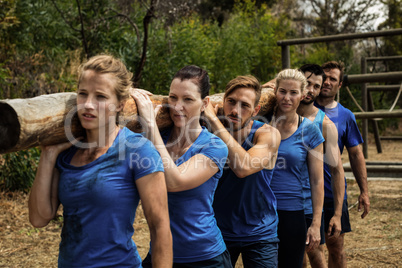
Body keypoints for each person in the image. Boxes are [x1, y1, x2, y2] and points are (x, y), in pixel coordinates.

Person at [28, 54, 172, 267]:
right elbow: (39, 218)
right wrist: (48, 154)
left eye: (101, 97)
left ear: (120, 105)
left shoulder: (138, 150)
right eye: (83, 94)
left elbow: (160, 228)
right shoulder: (65, 153)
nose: (88, 104)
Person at [132, 65, 231, 267]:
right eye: (173, 97)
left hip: (204, 257)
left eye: (187, 99)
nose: (177, 107)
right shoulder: (156, 139)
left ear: (204, 103)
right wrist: (125, 92)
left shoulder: (214, 146)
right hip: (160, 253)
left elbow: (175, 181)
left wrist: (150, 125)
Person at [203, 75, 281, 267]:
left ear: (255, 111)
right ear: (222, 102)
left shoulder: (267, 134)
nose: (235, 110)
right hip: (218, 230)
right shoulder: (207, 132)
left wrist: (212, 118)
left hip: (260, 231)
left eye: (245, 105)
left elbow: (243, 167)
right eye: (231, 102)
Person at [314, 61, 370, 267]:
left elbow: (356, 155)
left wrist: (364, 191)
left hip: (332, 193)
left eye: (333, 79)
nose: (327, 82)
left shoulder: (346, 116)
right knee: (309, 249)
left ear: (339, 86)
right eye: (324, 77)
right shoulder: (301, 107)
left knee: (335, 247)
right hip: (303, 192)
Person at [269, 69, 325, 268]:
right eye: (282, 91)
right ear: (274, 91)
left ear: (303, 95)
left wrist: (316, 224)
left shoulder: (309, 130)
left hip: (292, 212)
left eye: (293, 93)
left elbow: (317, 181)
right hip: (260, 211)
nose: (287, 98)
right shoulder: (259, 124)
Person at [296, 64, 345, 268]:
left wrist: (337, 214)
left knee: (315, 254)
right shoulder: (274, 111)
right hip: (275, 198)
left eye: (316, 86)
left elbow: (337, 171)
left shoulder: (324, 124)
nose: (311, 90)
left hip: (309, 200)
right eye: (307, 84)